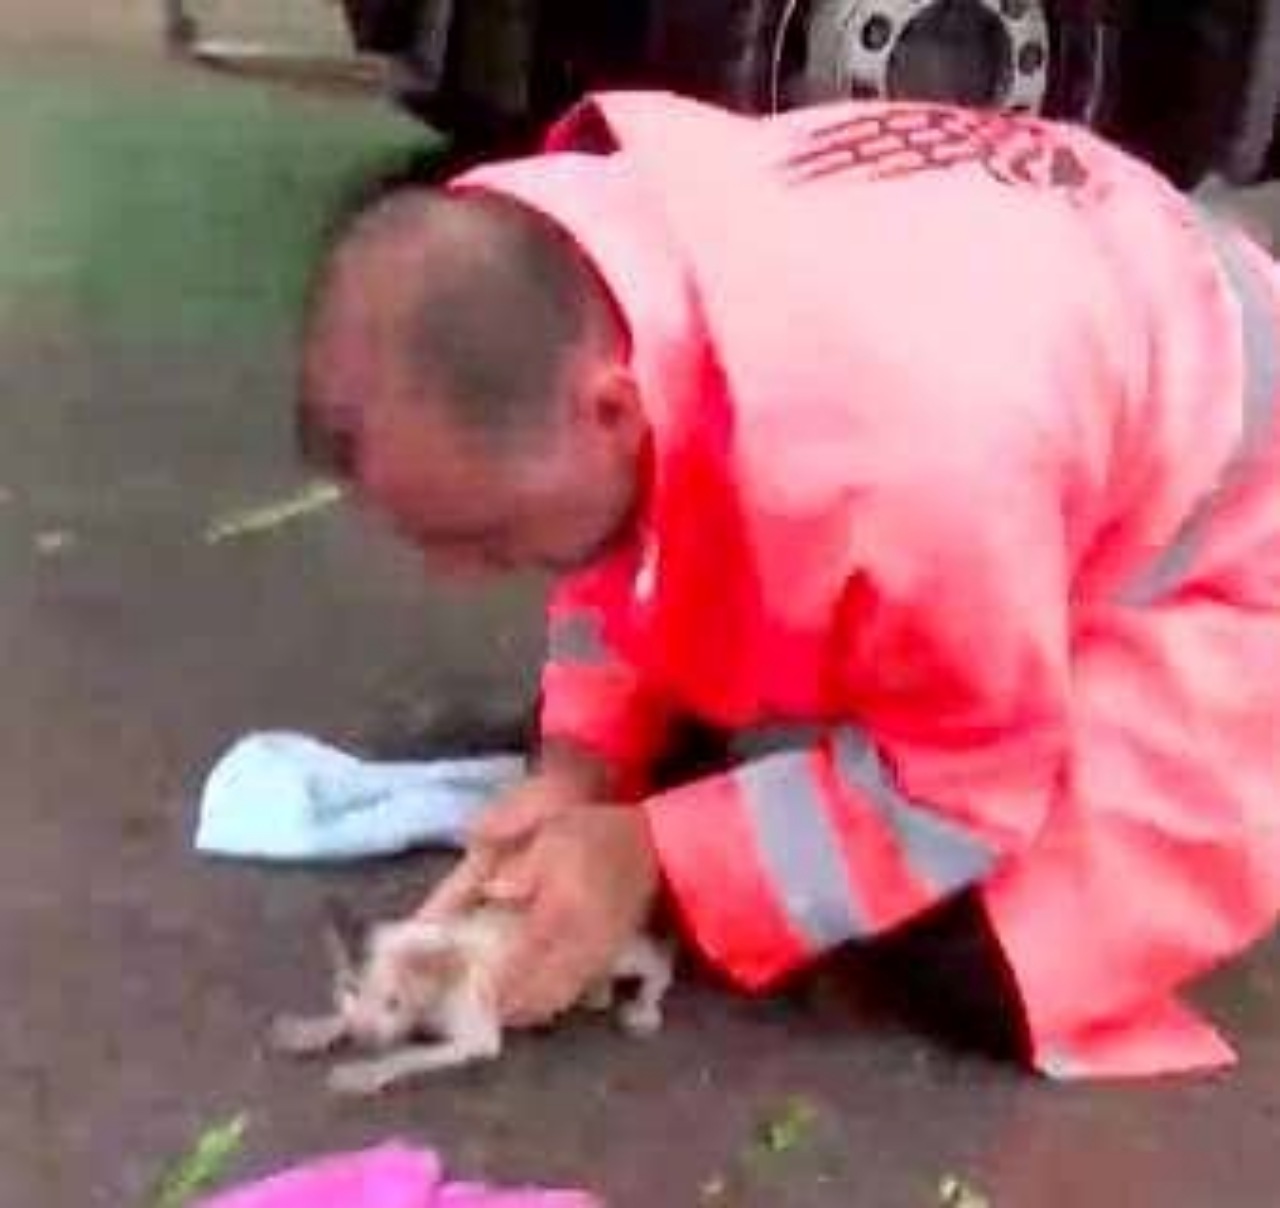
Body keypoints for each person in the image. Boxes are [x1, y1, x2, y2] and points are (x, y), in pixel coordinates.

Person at [295, 90, 1280, 1081]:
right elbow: (619, 555)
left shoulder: (902, 466)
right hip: (1069, 324)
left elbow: (963, 779)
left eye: (485, 536)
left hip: (1233, 558)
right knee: (721, 759)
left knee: (980, 951)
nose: (459, 578)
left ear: (608, 407)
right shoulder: (601, 275)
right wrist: (579, 758)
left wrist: (655, 862)